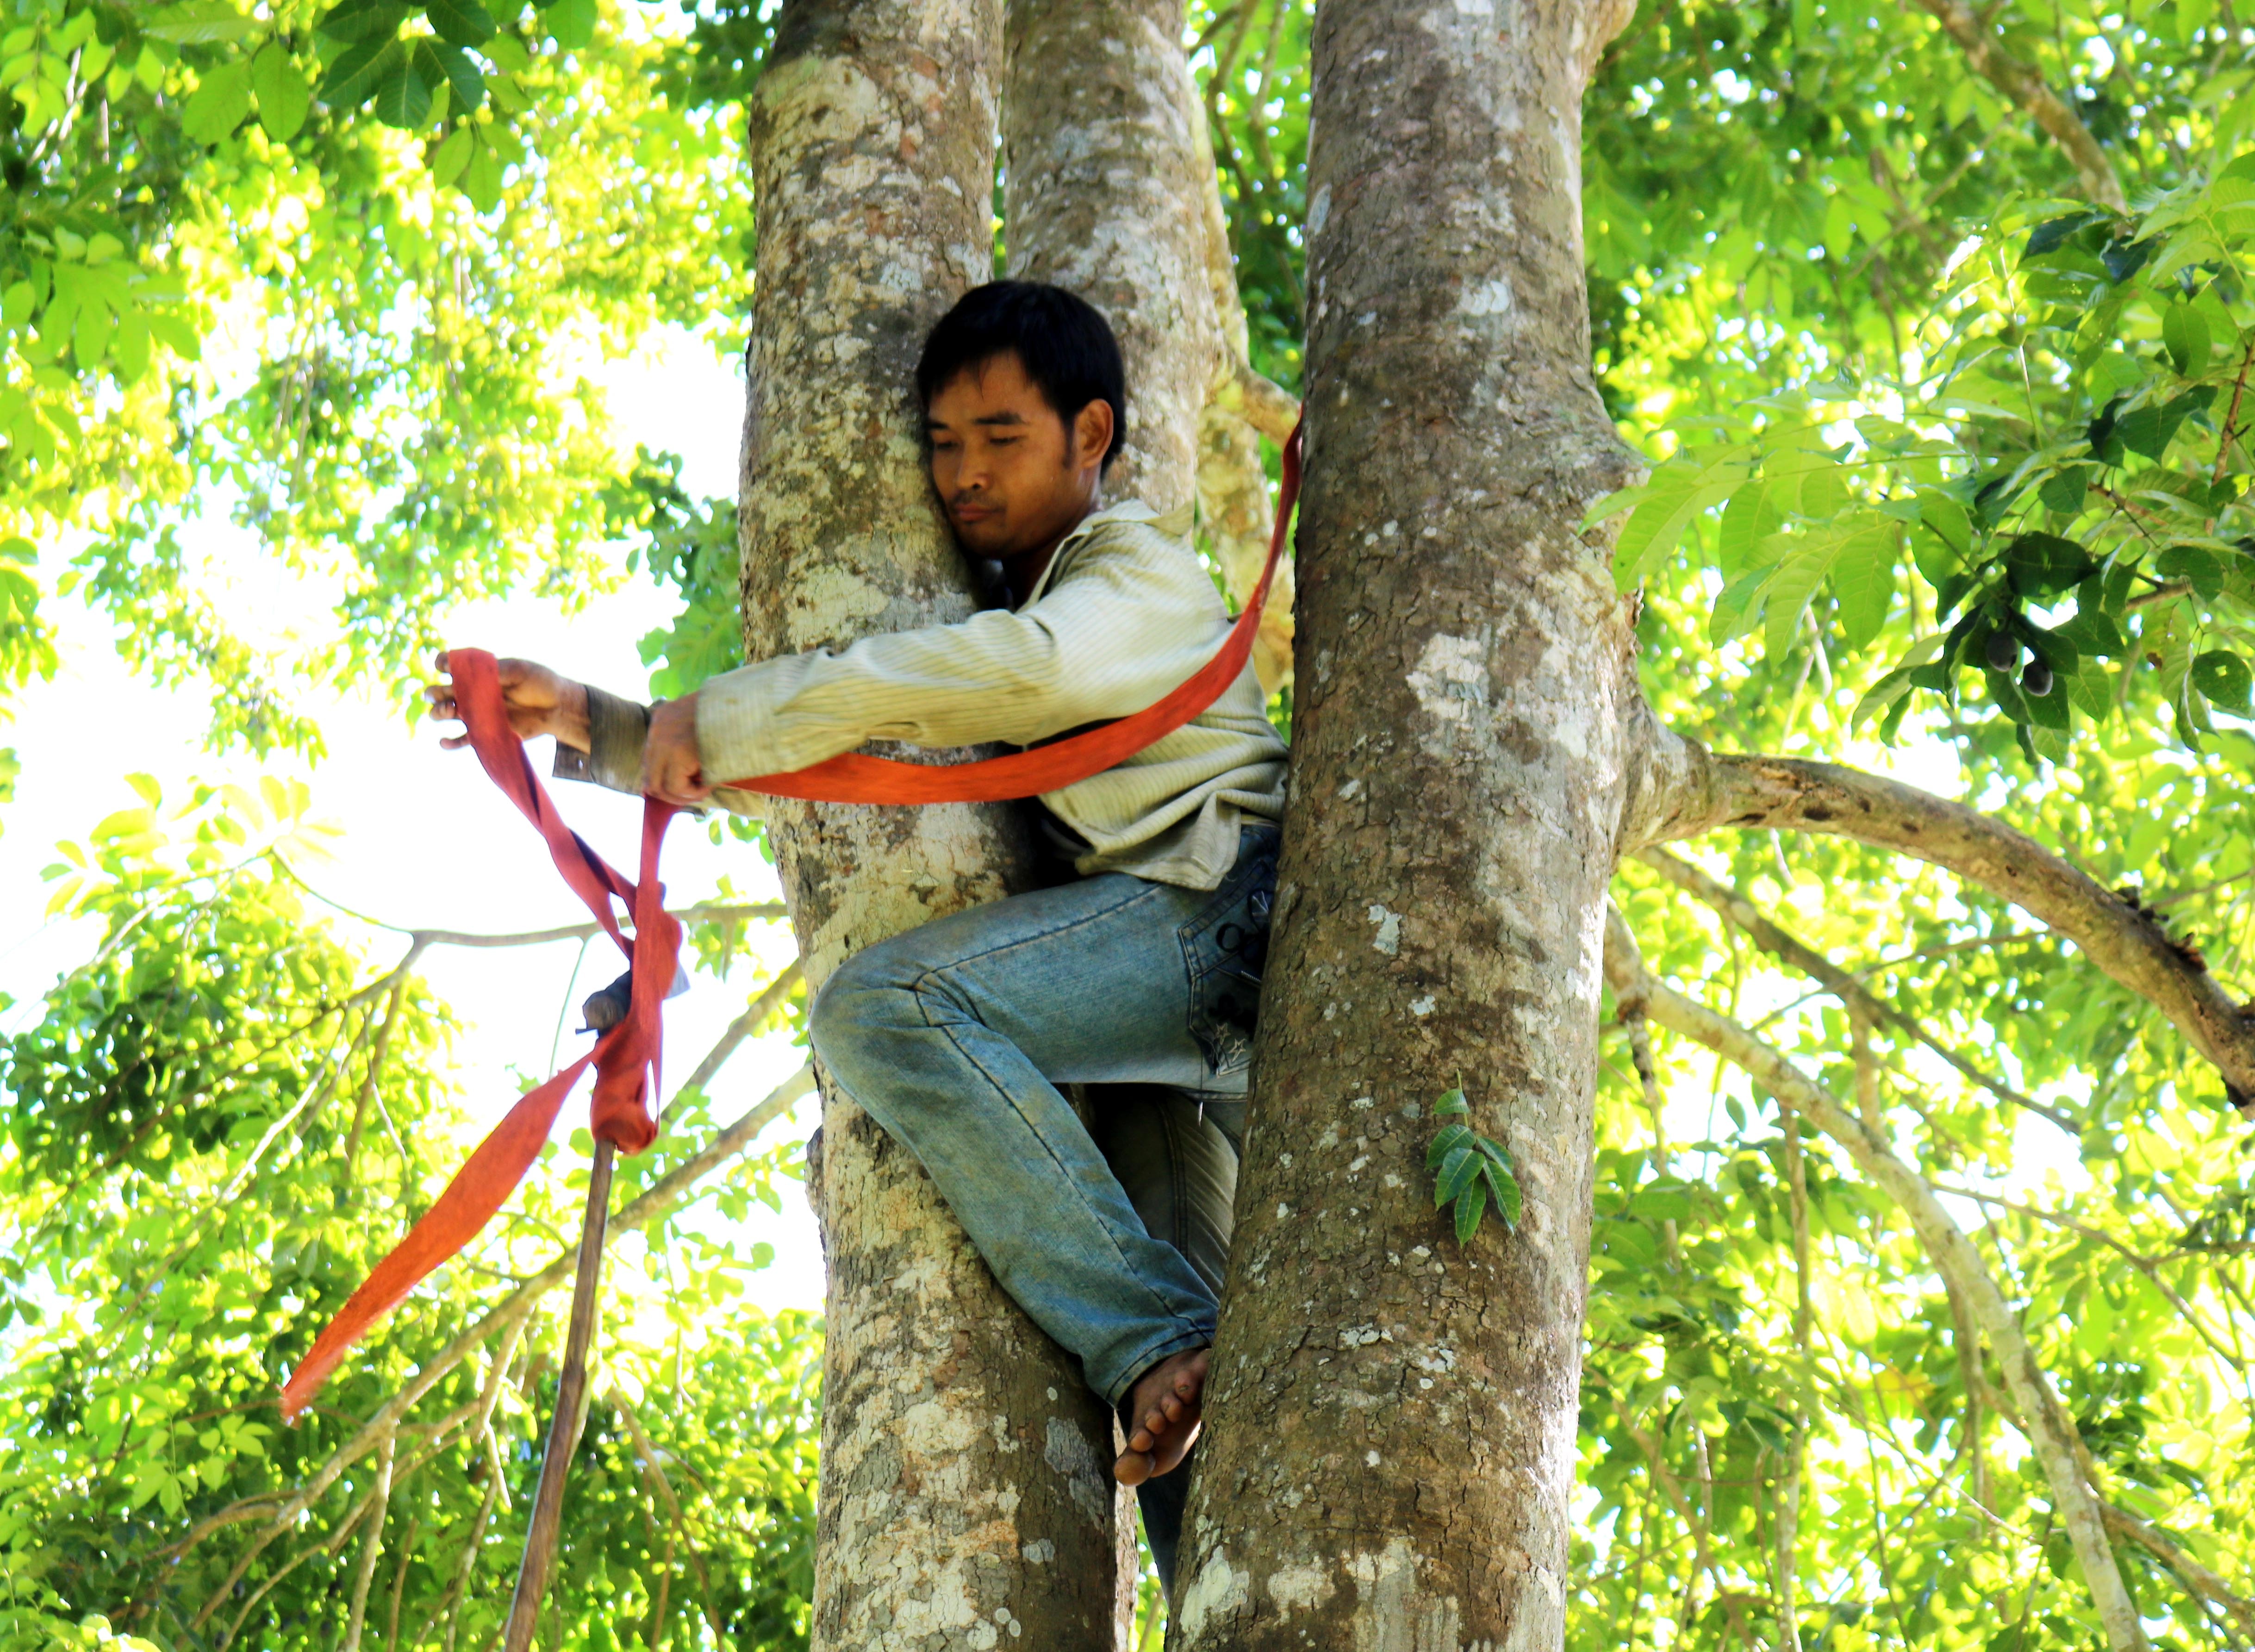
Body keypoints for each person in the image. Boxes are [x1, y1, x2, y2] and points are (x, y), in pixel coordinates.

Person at [424, 281, 1287, 1595]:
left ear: (1093, 434)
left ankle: (1148, 1331)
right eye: (943, 444)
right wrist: (606, 728)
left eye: (1002, 438)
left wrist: (705, 716)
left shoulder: (1136, 576)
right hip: (1168, 1014)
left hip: (1217, 922)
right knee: (1192, 1445)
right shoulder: (1035, 586)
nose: (964, 476)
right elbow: (900, 763)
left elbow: (1006, 677)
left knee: (885, 1009)